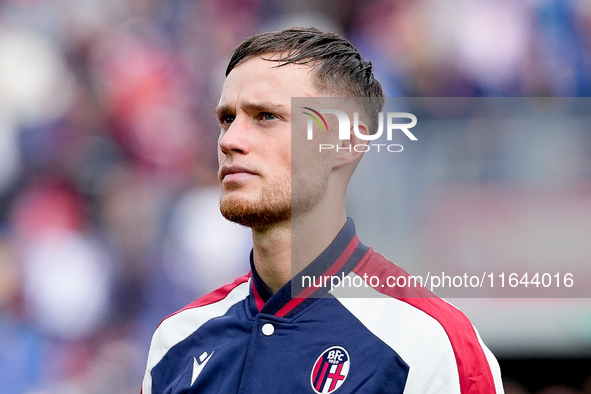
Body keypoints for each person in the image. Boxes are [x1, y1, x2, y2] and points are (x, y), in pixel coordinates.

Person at [141, 27, 504, 393]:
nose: (230, 141)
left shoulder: (428, 342)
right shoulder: (175, 341)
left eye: (266, 116)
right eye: (227, 119)